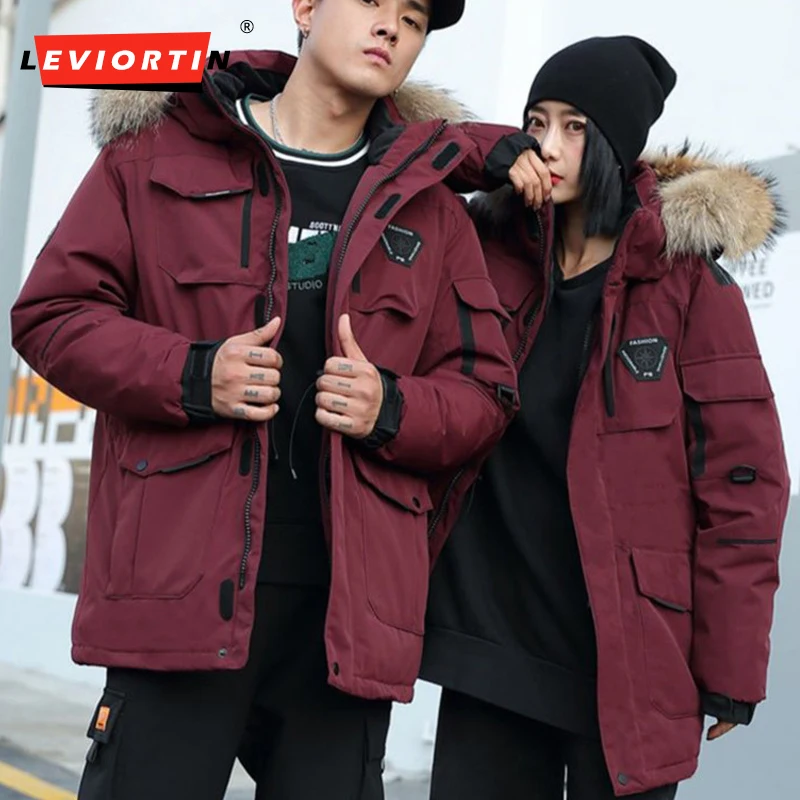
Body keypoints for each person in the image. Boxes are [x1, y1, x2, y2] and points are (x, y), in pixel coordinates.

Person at [9, 1, 531, 798]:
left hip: (344, 624)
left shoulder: (429, 205)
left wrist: (391, 408)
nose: (391, 27)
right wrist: (194, 374)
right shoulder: (156, 153)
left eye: (414, 17)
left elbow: (486, 393)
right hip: (180, 599)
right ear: (306, 7)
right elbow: (52, 314)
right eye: (371, 1)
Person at [421, 35, 791, 799]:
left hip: (625, 655)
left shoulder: (688, 285)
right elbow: (392, 169)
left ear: (616, 143)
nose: (548, 147)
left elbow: (744, 479)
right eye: (535, 123)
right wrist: (486, 153)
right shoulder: (485, 248)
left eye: (575, 127)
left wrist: (731, 666)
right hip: (492, 640)